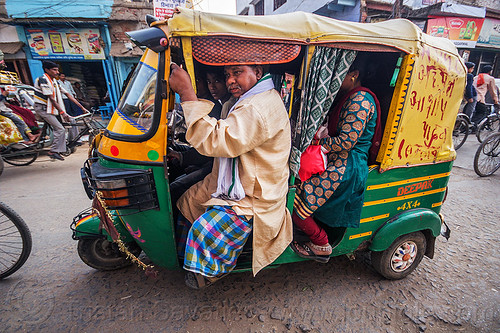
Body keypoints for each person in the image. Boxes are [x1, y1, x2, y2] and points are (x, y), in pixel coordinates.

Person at [169, 63, 292, 289]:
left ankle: (209, 273)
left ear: (257, 71)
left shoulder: (258, 106)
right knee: (186, 202)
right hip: (233, 180)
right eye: (227, 75)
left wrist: (186, 93)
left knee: (204, 228)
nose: (230, 81)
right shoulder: (241, 101)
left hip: (254, 193)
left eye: (237, 73)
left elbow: (218, 140)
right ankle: (187, 259)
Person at [290, 55, 380, 263]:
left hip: (346, 165)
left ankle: (321, 244)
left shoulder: (360, 100)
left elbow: (346, 141)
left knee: (297, 202)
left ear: (353, 75)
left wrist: (319, 144)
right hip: (337, 160)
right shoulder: (349, 96)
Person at [34, 61, 89, 161]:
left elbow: (68, 95)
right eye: (54, 70)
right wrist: (62, 112)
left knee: (72, 121)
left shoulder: (55, 82)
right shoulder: (43, 80)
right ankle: (54, 151)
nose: (57, 72)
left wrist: (82, 108)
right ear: (47, 70)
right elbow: (51, 98)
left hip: (52, 109)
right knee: (60, 129)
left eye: (57, 70)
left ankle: (72, 142)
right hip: (44, 109)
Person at [472, 65, 499, 131]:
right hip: (480, 98)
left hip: (472, 97)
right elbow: (493, 91)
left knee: (475, 112)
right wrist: (496, 101)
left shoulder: (476, 77)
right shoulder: (490, 78)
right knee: (482, 113)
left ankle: (470, 124)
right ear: (489, 71)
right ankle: (473, 125)